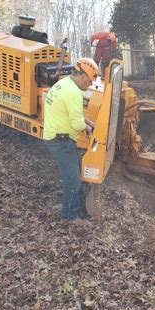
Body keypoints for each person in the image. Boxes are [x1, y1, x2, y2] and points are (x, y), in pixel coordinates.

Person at [43, 58, 99, 225]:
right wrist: (90, 129)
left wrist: (89, 122)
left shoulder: (63, 83)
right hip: (61, 140)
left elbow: (70, 112)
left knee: (74, 175)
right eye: (89, 81)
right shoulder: (73, 92)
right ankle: (70, 216)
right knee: (72, 179)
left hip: (55, 136)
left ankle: (76, 208)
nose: (89, 85)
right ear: (83, 77)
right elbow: (76, 123)